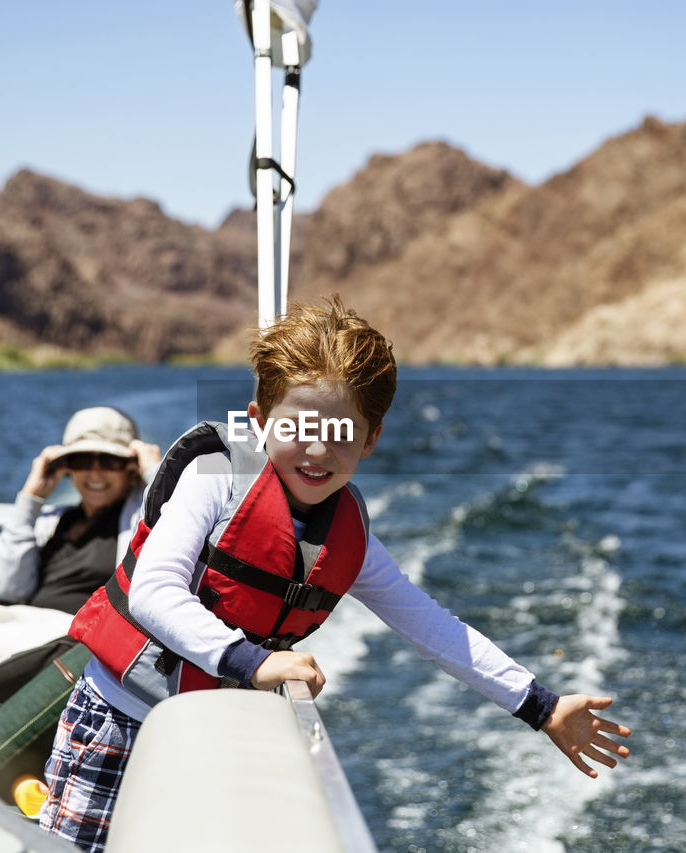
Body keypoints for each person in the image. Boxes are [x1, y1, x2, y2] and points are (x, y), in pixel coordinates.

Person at [40, 298, 631, 851]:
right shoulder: (214, 478)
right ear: (260, 420)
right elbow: (153, 590)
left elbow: (430, 626)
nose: (317, 449)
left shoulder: (349, 537)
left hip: (217, 733)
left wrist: (541, 706)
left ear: (371, 439)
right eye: (298, 425)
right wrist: (255, 661)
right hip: (120, 718)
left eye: (341, 431)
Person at [0, 406, 162, 614]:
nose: (95, 473)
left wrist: (155, 473)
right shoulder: (51, 522)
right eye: (82, 461)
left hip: (79, 640)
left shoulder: (143, 522)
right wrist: (30, 498)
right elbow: (5, 587)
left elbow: (181, 519)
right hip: (30, 629)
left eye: (110, 461)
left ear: (130, 466)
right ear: (67, 467)